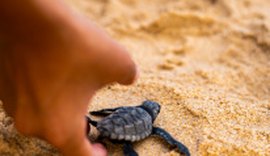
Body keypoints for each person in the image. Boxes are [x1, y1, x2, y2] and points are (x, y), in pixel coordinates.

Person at [0, 1, 138, 156]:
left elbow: (114, 111)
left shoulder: (126, 111)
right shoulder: (144, 121)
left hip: (105, 125)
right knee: (126, 144)